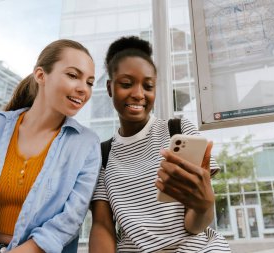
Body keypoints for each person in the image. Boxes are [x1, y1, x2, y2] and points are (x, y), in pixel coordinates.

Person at [89, 36, 231, 252]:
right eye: (127, 84)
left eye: (148, 86)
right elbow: (102, 226)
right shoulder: (103, 154)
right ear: (110, 88)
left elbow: (194, 226)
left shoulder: (179, 130)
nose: (138, 94)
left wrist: (203, 207)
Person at [0, 39, 101, 253]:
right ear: (40, 75)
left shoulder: (87, 144)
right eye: (73, 76)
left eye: (90, 82)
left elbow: (71, 218)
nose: (83, 89)